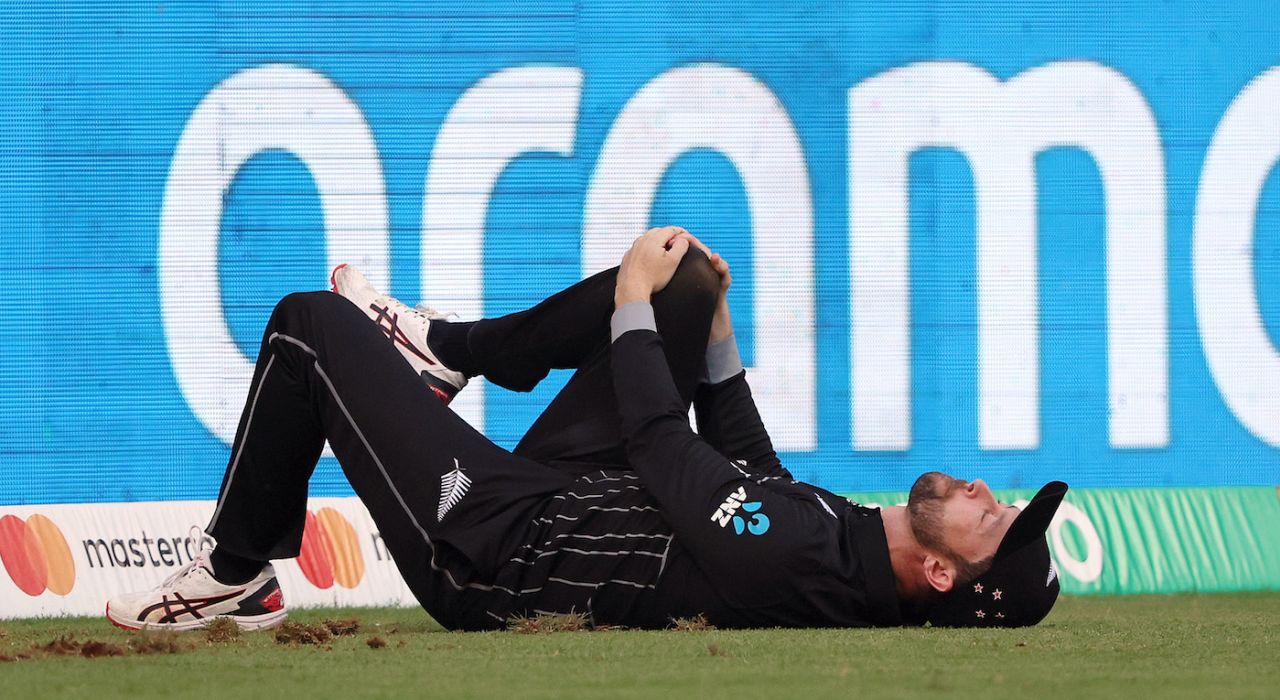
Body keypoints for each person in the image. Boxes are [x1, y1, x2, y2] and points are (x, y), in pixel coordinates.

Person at [106, 227, 1067, 631]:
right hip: (579, 499)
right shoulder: (847, 536)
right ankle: (452, 350)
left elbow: (663, 443)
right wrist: (710, 330)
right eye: (1004, 499)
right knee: (689, 276)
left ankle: (237, 571)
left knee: (309, 327)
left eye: (994, 521)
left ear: (942, 574)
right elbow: (754, 466)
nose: (988, 493)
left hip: (497, 546)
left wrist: (637, 307)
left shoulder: (804, 559)